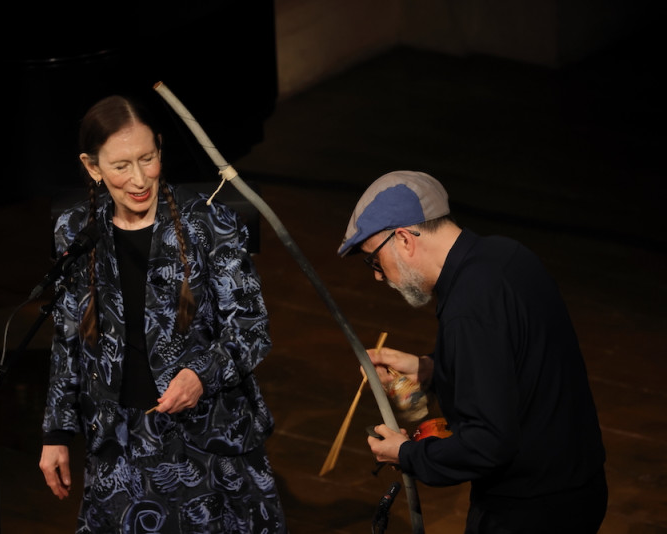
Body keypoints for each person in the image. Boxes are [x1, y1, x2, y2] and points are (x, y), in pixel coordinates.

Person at [39, 94, 287, 533]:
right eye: (121, 166)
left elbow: (251, 329)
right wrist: (57, 433)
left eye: (147, 158)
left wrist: (201, 374)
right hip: (120, 444)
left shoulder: (211, 225)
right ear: (92, 166)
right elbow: (67, 338)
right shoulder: (76, 231)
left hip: (208, 442)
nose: (139, 178)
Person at [338, 171, 607, 533]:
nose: (377, 276)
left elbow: (488, 444)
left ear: (403, 239)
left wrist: (406, 454)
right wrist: (430, 368)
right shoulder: (505, 254)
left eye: (373, 260)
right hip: (577, 484)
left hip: (530, 510)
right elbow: (514, 362)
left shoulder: (468, 308)